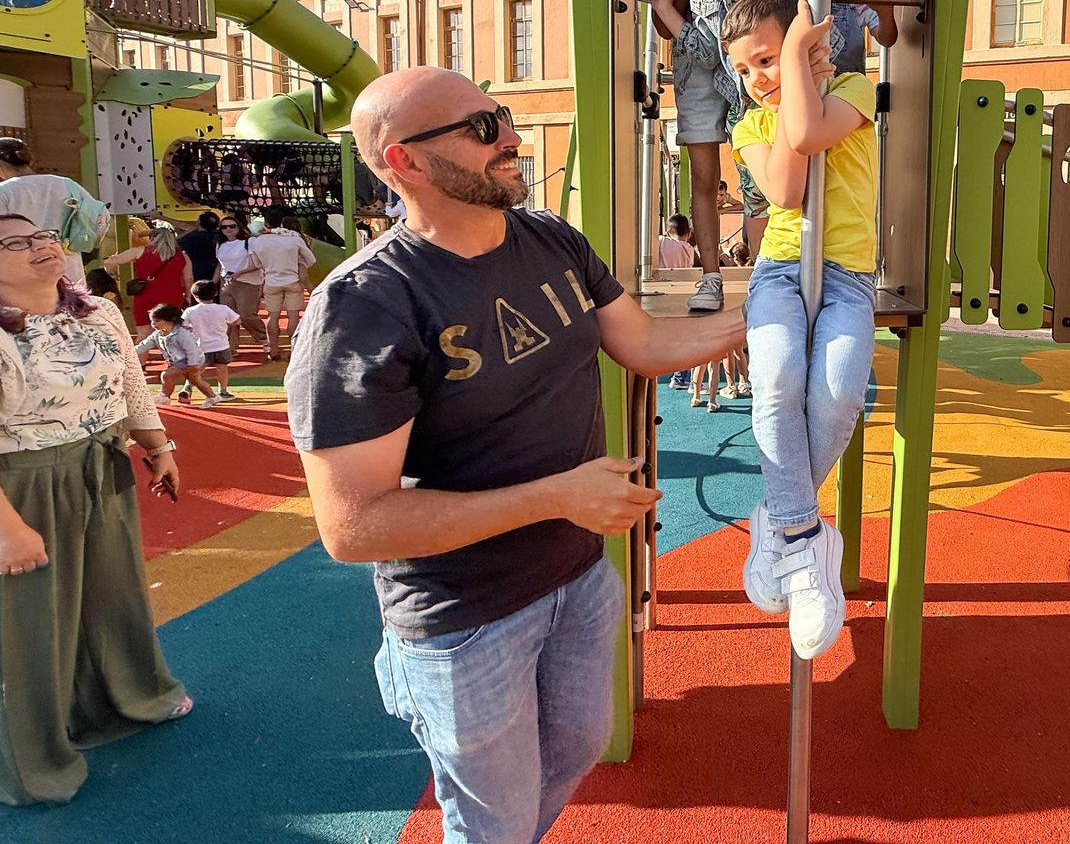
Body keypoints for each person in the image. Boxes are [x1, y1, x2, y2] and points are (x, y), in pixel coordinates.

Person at [286, 66, 744, 843]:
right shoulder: (366, 306)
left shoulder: (550, 237)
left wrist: (767, 315)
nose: (512, 137)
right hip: (464, 620)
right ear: (404, 161)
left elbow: (644, 343)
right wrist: (556, 497)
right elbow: (353, 527)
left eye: (500, 115)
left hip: (578, 578)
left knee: (572, 753)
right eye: (482, 128)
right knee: (492, 823)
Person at [669, 0, 935, 287]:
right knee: (767, 214)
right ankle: (768, 299)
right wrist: (668, 15)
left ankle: (840, 281)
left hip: (818, 91)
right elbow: (708, 49)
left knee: (829, 191)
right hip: (759, 110)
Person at [0, 215, 190, 805]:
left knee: (112, 590)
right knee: (30, 618)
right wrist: (7, 529)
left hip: (101, 463)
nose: (41, 246)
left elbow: (130, 386)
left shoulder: (98, 311)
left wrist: (159, 447)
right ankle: (31, 756)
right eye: (16, 243)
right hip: (22, 484)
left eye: (43, 236)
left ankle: (123, 698)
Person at [725, 0, 877, 659]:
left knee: (840, 392)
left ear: (811, 43)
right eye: (746, 69)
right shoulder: (750, 127)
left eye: (768, 58)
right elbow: (788, 190)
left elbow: (814, 133)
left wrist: (799, 68)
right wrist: (791, 75)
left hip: (849, 273)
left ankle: (781, 521)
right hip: (781, 269)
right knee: (777, 376)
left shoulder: (855, 90)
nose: (757, 79)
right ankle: (808, 540)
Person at [616, 0, 730, 315]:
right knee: (704, 175)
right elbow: (664, 27)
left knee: (761, 165)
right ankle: (712, 275)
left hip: (744, 58)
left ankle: (775, 268)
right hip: (695, 70)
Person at [0, 138, 111, 284]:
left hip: (25, 270)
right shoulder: (66, 184)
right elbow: (101, 218)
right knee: (71, 298)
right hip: (68, 266)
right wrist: (76, 241)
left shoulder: (4, 192)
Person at [104, 222, 193, 329]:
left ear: (152, 239)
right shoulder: (182, 256)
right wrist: (188, 296)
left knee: (144, 331)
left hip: (145, 296)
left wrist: (111, 273)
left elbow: (110, 261)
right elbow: (188, 279)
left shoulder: (139, 251)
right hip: (173, 297)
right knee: (170, 329)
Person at [251, 206, 315, 357]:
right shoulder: (294, 239)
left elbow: (257, 263)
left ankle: (273, 350)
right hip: (293, 280)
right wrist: (298, 264)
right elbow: (311, 259)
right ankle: (294, 350)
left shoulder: (258, 242)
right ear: (282, 222)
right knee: (293, 317)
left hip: (271, 281)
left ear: (266, 223)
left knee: (272, 317)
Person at [135, 303, 217, 407]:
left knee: (166, 376)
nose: (153, 324)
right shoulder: (157, 334)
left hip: (190, 360)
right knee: (195, 381)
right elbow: (144, 345)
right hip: (178, 361)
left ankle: (164, 397)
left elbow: (192, 350)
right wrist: (130, 352)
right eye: (152, 321)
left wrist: (192, 365)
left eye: (157, 321)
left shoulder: (182, 334)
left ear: (170, 320)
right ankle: (212, 396)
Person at [215, 214, 273, 357]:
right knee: (228, 317)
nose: (228, 229)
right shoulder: (220, 244)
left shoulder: (249, 242)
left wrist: (240, 273)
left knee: (246, 315)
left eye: (232, 226)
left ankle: (264, 339)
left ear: (239, 227)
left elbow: (258, 263)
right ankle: (229, 348)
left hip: (249, 282)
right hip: (227, 282)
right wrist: (213, 282)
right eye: (224, 227)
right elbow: (220, 265)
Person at [657, 213, 697, 391]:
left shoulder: (662, 242)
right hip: (680, 296)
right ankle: (680, 376)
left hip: (660, 293)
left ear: (667, 232)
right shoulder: (689, 250)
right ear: (688, 233)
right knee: (684, 338)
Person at [183, 281, 240, 401]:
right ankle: (223, 391)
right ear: (215, 294)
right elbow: (237, 321)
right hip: (221, 345)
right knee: (222, 368)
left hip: (201, 346)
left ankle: (187, 388)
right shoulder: (223, 309)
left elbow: (183, 325)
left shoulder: (191, 311)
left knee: (197, 370)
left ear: (195, 296)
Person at [177, 211, 223, 282]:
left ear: (199, 222)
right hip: (215, 272)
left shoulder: (192, 237)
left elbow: (176, 245)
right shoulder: (220, 236)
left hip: (195, 271)